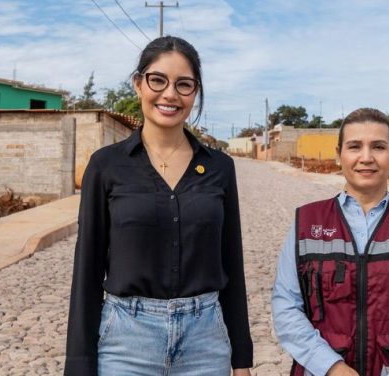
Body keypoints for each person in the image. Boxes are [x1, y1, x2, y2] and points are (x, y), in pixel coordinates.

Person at [65, 36, 253, 376]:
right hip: (125, 344)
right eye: (158, 80)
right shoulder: (106, 166)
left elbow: (231, 262)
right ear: (138, 84)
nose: (170, 94)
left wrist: (241, 359)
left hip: (205, 345)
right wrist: (79, 366)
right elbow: (87, 269)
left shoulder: (220, 168)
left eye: (184, 84)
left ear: (195, 93)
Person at [271, 108, 389, 376]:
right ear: (339, 154)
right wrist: (331, 367)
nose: (366, 157)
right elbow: (286, 305)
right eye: (355, 146)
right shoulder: (307, 222)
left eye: (378, 147)